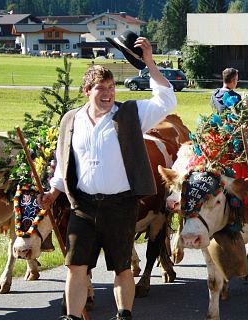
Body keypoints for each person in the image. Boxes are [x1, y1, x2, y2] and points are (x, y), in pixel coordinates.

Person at [37, 36, 177, 320]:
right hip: (83, 207)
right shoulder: (71, 119)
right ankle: (72, 317)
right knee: (75, 267)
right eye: (101, 89)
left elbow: (166, 99)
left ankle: (123, 315)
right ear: (86, 90)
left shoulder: (130, 114)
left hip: (121, 205)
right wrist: (53, 192)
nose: (108, 93)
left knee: (122, 267)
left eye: (111, 88)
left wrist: (149, 61)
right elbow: (65, 162)